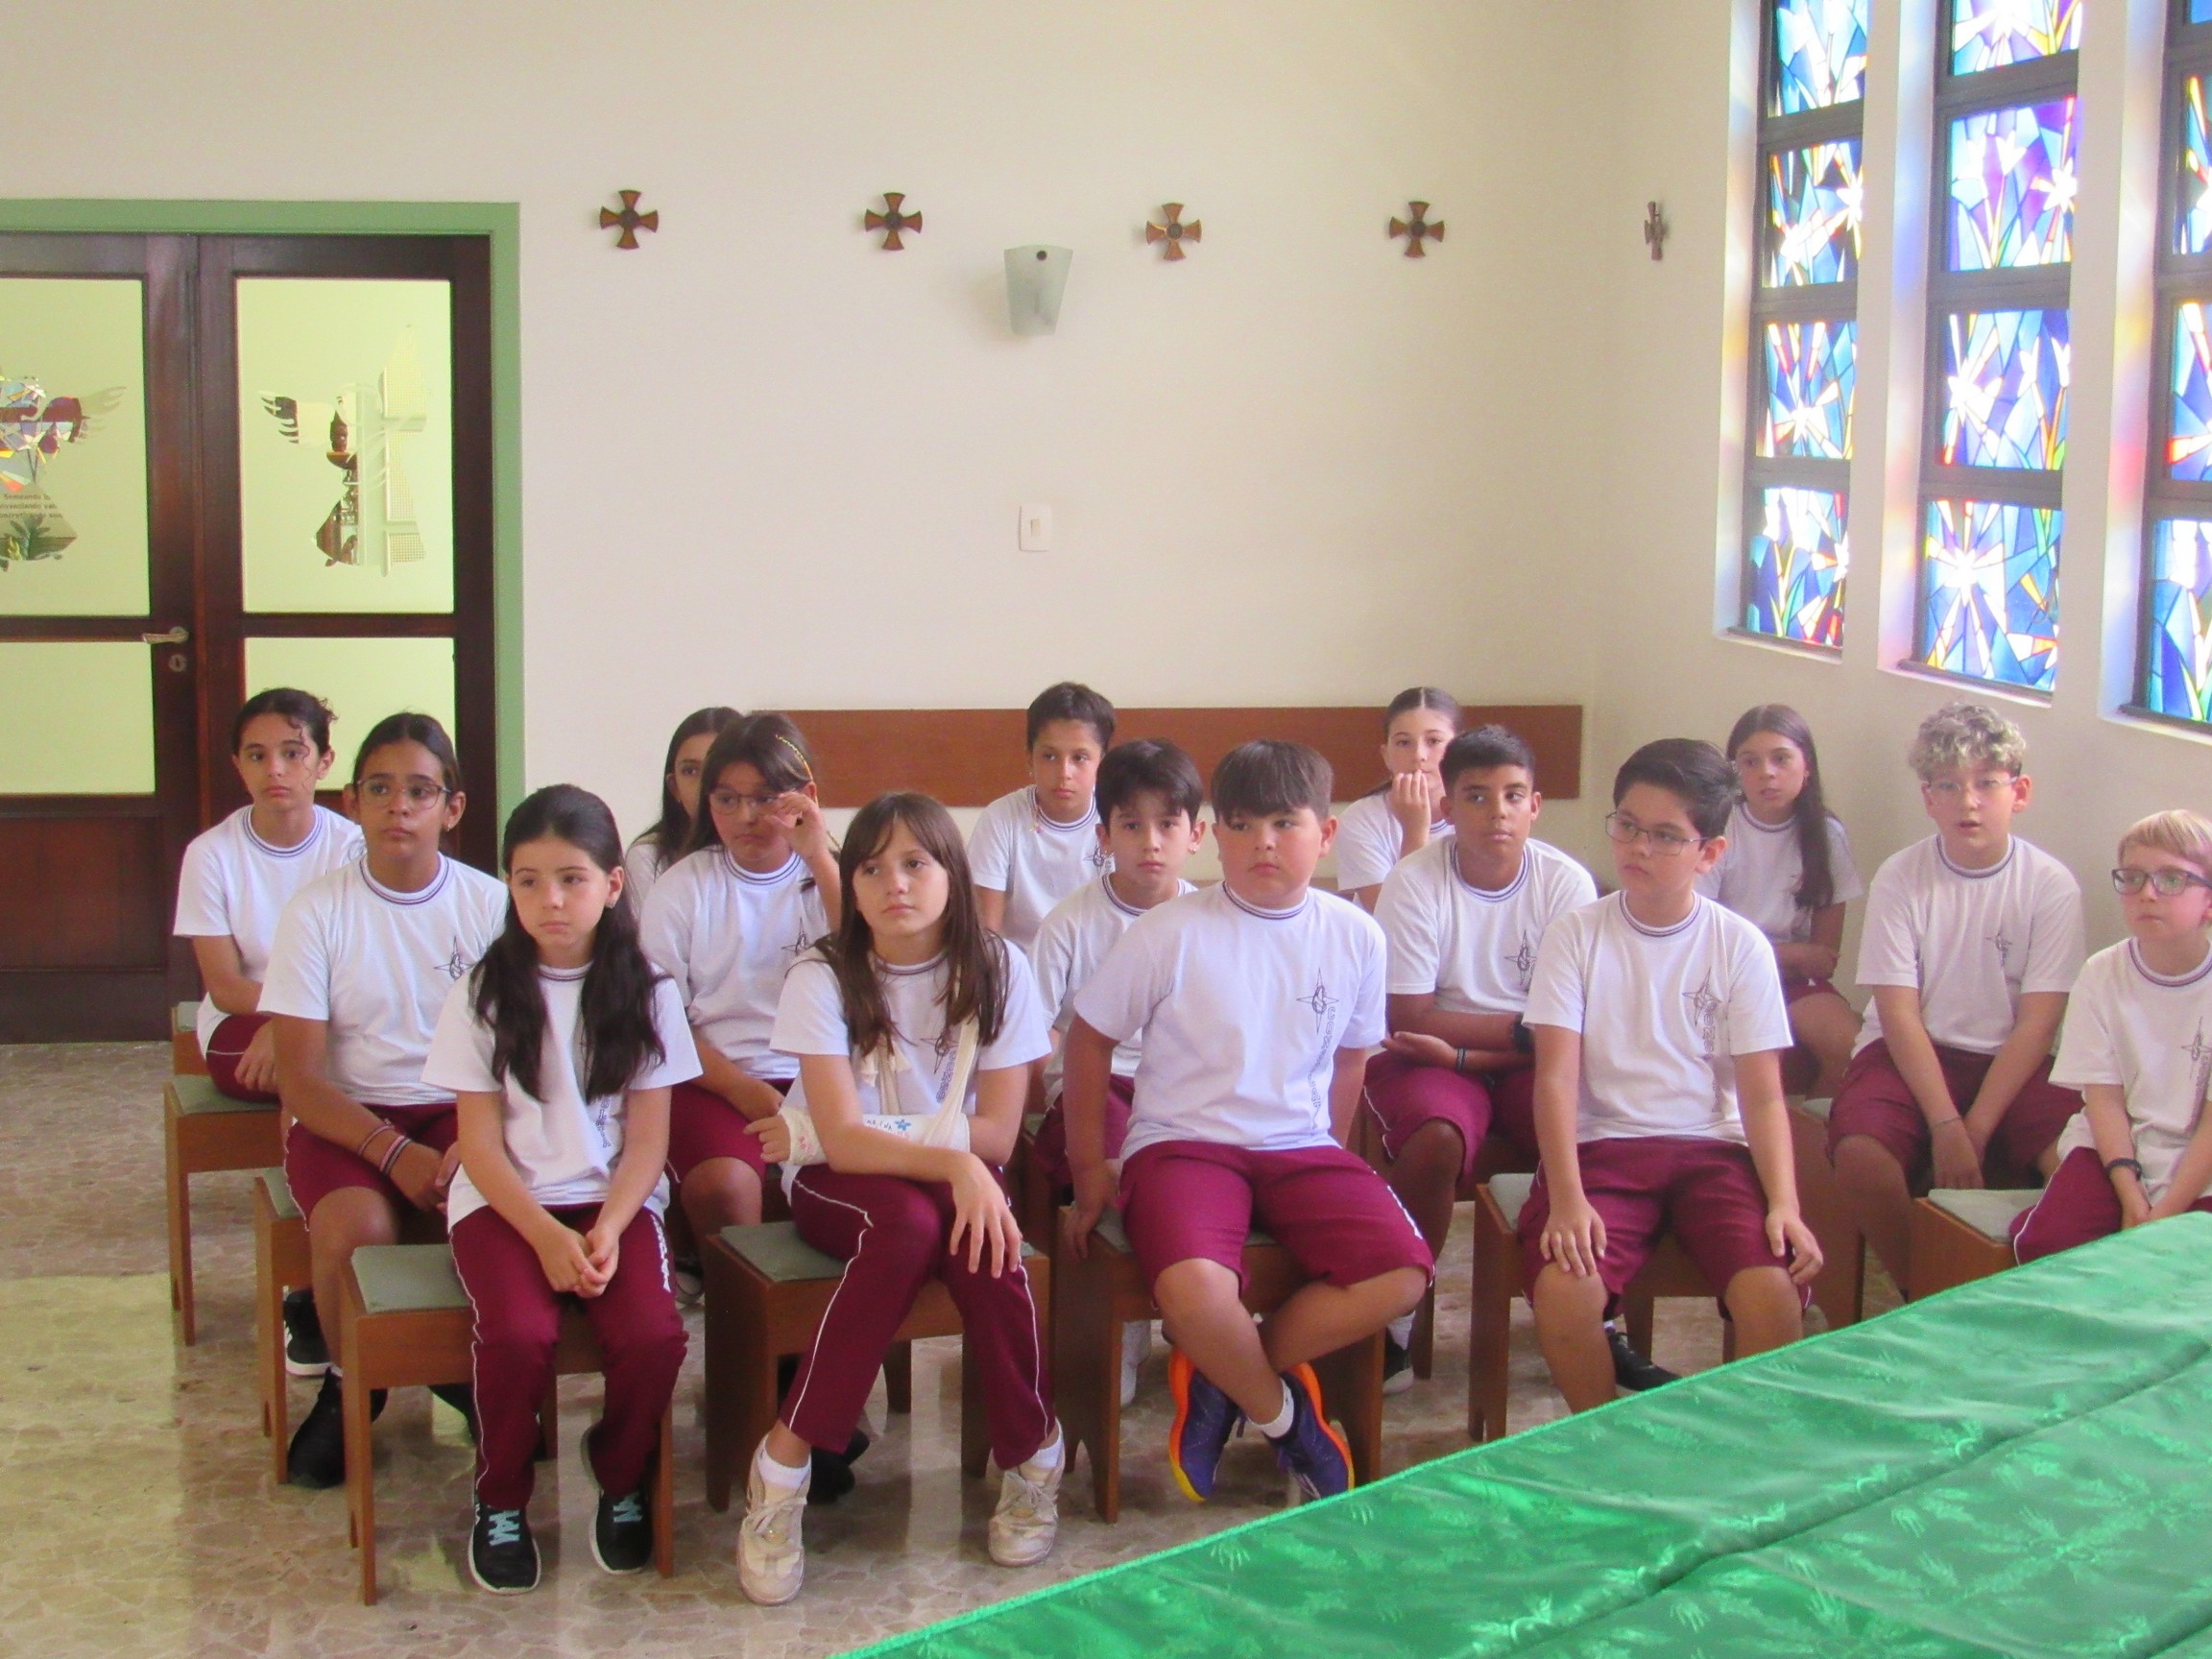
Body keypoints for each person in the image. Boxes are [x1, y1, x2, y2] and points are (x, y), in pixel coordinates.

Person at [1062, 740, 1431, 1504]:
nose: (1263, 842)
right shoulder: (1169, 931)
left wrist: (1333, 1153)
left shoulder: (1356, 934)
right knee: (1196, 1291)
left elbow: (1353, 1060)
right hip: (1184, 1145)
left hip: (1301, 1146)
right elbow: (1089, 1039)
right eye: (1242, 824)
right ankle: (1285, 1417)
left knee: (1404, 1272)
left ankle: (1221, 1370)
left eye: (1285, 823)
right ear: (1215, 835)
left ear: (1325, 835)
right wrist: (1089, 1167)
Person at [735, 794, 1061, 1604]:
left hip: (944, 1172)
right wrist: (955, 1164)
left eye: (916, 863)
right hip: (836, 1180)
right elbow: (842, 1145)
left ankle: (1032, 1457)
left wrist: (962, 1166)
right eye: (872, 868)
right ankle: (783, 1469)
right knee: (908, 1223)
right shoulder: (822, 973)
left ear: (952, 873)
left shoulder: (1000, 967)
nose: (896, 884)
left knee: (980, 1242)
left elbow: (999, 1133)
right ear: (850, 883)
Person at [430, 785, 698, 1593]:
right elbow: (479, 1147)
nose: (550, 900)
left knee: (654, 1335)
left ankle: (619, 1473)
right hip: (505, 1204)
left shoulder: (649, 990)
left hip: (614, 1202)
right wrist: (546, 1236)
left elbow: (648, 1141)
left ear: (612, 885)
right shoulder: (481, 992)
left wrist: (609, 1226)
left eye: (572, 879)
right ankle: (500, 1498)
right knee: (517, 1335)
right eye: (529, 880)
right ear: (508, 886)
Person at [1519, 738, 1821, 1413]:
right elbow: (1555, 1081)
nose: (1638, 848)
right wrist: (1567, 1198)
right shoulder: (1575, 935)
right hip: (1603, 1148)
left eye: (1664, 836)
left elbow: (1762, 1096)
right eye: (1627, 826)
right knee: (1565, 1292)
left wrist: (1784, 1203)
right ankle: (1607, 1444)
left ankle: (1740, 1454)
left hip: (1711, 1148)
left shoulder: (1738, 944)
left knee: (1772, 1293)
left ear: (1709, 853)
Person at [259, 712, 509, 1487]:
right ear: (352, 800)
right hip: (347, 1114)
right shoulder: (316, 910)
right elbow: (302, 1078)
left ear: (452, 807)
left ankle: (459, 1368)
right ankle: (349, 1386)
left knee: (491, 1216)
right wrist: (393, 1153)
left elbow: (520, 1052)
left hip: (460, 1110)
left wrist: (472, 1139)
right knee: (358, 1227)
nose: (399, 806)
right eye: (379, 789)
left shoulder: (491, 905)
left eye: (420, 791)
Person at [1365, 724, 1596, 1384]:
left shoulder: (1567, 885)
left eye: (1513, 795)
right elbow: (1409, 1017)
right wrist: (1520, 1034)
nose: (1498, 812)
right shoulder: (1414, 880)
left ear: (1535, 805)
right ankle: (1398, 1317)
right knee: (1436, 1135)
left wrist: (1470, 1056)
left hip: (1515, 1060)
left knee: (1579, 1126)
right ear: (1446, 806)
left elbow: (1569, 1029)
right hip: (1423, 1058)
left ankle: (1589, 1307)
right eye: (1476, 796)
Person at [1828, 702, 2084, 1292]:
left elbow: (2038, 1025)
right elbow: (1898, 1013)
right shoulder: (1901, 876)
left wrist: (1977, 1128)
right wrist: (1945, 1123)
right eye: (1948, 785)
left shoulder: (2051, 886)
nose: (1968, 802)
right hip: (1909, 1051)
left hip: (2011, 1061)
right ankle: (1922, 1291)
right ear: (1929, 798)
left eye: (1986, 783)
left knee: (2074, 1162)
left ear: (2019, 792)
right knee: (1862, 1155)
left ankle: (2029, 1295)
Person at [1029, 738, 1205, 1404]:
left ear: (1196, 834)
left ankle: (1196, 1312)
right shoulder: (1070, 923)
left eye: (1167, 824)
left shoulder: (1210, 917)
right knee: (1120, 1161)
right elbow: (1031, 1034)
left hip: (1180, 1089)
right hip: (1092, 1088)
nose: (1150, 843)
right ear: (1103, 837)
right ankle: (1125, 1325)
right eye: (1131, 825)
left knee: (1203, 1165)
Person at [639, 714, 837, 1249]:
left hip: (824, 1074)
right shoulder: (682, 890)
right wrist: (740, 1088)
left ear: (803, 799)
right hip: (715, 1077)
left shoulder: (834, 876)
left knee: (858, 1179)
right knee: (725, 1186)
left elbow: (867, 970)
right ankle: (734, 1300)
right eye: (726, 800)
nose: (745, 817)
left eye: (765, 799)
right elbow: (663, 1024)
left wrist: (819, 856)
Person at [2012, 811, 2212, 1262]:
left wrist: (2164, 1213)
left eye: (2172, 880)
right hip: (2115, 1148)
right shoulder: (2101, 972)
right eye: (2133, 878)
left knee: (2181, 1263)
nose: (2148, 893)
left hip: (2198, 1161)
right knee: (2048, 1245)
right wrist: (2130, 1194)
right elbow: (2103, 1099)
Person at [173, 688, 364, 1104]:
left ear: (324, 762)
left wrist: (289, 1025)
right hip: (246, 1015)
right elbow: (225, 986)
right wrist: (286, 1021)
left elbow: (364, 971)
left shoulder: (353, 849)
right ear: (238, 766)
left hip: (342, 1015)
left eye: (293, 753)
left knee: (363, 1055)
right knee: (318, 1064)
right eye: (257, 756)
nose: (275, 769)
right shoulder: (210, 854)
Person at [1702, 705, 1865, 1098]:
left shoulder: (1826, 834)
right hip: (1722, 977)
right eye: (1750, 762)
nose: (1767, 773)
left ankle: (1803, 1131)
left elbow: (1824, 957)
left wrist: (1791, 959)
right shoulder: (1720, 827)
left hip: (1791, 982)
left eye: (1781, 759)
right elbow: (1704, 938)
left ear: (1806, 767)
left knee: (1852, 1050)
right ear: (1734, 771)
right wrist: (1791, 953)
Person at [970, 682, 1116, 951]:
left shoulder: (1118, 819)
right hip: (1022, 968)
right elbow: (986, 935)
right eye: (1049, 756)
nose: (1064, 773)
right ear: (1030, 758)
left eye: (1080, 758)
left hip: (1099, 965)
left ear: (1102, 761)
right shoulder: (1001, 819)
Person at [1334, 687, 1461, 910]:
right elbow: (1394, 915)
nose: (1419, 755)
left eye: (1433, 741)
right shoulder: (1360, 819)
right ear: (1386, 755)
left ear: (1459, 750)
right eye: (1403, 743)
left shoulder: (1477, 813)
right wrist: (1414, 831)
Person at [623, 706, 741, 915]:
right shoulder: (649, 856)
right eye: (690, 771)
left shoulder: (776, 849)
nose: (704, 784)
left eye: (718, 768)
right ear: (674, 786)